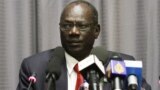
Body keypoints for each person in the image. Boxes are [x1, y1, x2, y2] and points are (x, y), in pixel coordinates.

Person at [17, 1, 151, 90]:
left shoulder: (122, 65)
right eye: (66, 26)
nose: (73, 32)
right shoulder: (35, 67)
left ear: (96, 31)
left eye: (82, 26)